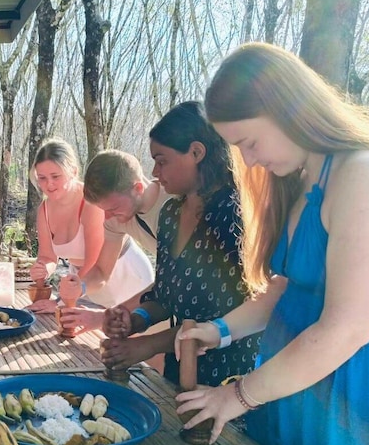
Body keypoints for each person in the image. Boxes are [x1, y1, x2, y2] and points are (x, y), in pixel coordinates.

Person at [175, 43, 369, 445]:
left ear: (287, 107)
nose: (249, 160)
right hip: (293, 385)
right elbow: (285, 292)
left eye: (248, 141)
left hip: (359, 397)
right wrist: (218, 331)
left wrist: (237, 396)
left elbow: (348, 327)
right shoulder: (303, 180)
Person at [101, 102, 258, 387]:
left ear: (197, 152)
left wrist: (145, 346)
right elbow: (166, 295)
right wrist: (135, 320)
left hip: (229, 378)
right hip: (179, 369)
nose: (155, 171)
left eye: (162, 160)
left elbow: (224, 316)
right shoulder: (172, 214)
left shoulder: (234, 215)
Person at [27, 139, 154, 315]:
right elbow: (48, 256)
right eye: (42, 178)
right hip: (85, 281)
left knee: (129, 332)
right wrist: (43, 268)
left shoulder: (92, 201)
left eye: (56, 176)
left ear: (73, 171)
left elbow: (94, 262)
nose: (49, 185)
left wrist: (62, 300)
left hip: (123, 275)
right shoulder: (44, 209)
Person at [56, 149, 169, 334]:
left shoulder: (174, 206)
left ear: (138, 188)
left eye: (113, 208)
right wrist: (81, 286)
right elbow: (101, 271)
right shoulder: (114, 219)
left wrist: (103, 317)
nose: (107, 217)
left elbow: (169, 284)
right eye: (103, 210)